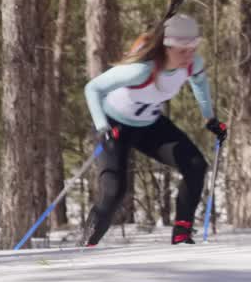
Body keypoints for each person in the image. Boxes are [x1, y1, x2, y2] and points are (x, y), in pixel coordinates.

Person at [82, 12, 226, 246]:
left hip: (150, 125)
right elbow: (92, 89)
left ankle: (181, 235)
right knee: (114, 192)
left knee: (196, 166)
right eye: (182, 50)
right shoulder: (141, 70)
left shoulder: (192, 65)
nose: (189, 56)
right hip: (115, 125)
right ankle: (86, 243)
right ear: (167, 47)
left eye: (193, 49)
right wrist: (102, 128)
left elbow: (199, 84)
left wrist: (210, 119)